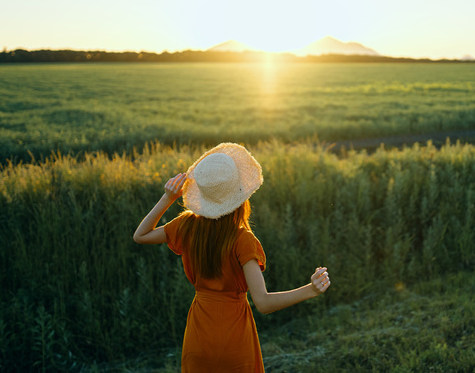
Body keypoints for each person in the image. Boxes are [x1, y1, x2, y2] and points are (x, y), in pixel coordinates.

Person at [133, 143, 330, 372]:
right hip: (234, 341)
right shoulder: (243, 240)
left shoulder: (187, 226)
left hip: (199, 336)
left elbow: (141, 235)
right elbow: (263, 303)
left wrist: (168, 198)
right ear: (240, 194)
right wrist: (311, 290)